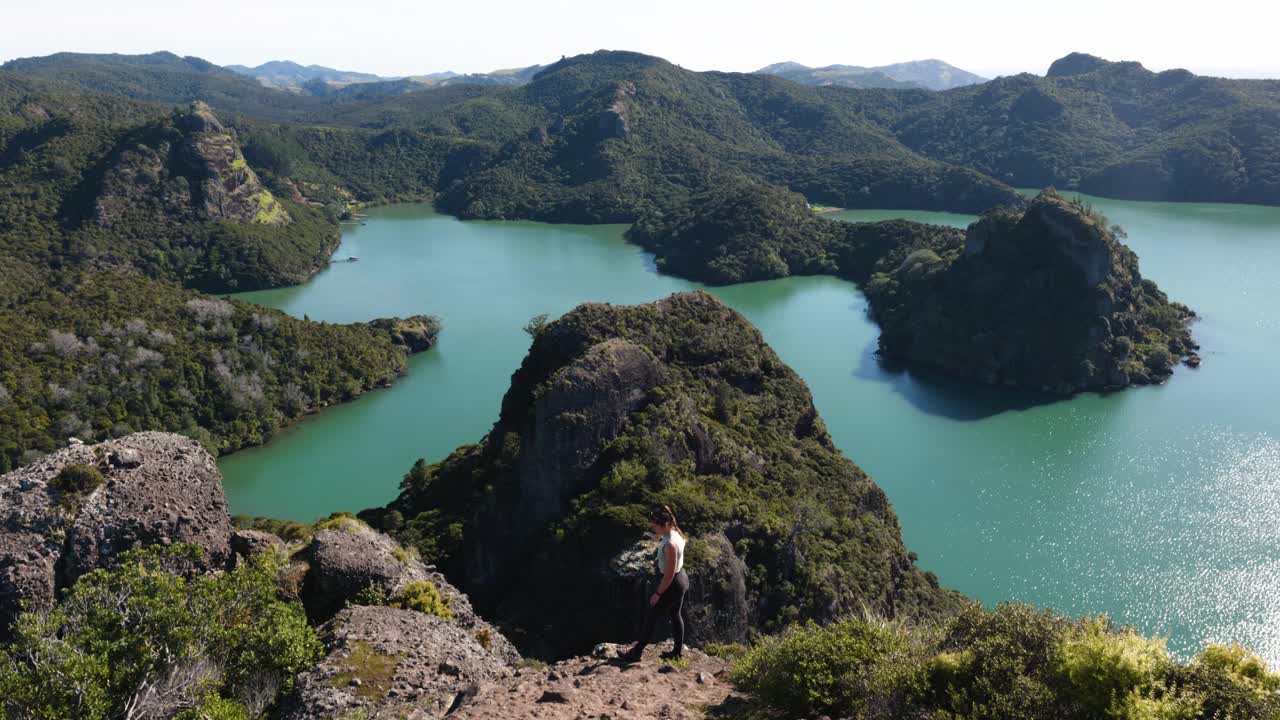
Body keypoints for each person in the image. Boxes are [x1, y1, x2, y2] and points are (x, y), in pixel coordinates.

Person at [621, 505, 689, 662]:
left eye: (655, 525)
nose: (653, 528)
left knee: (651, 616)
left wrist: (658, 593)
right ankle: (677, 653)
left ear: (665, 525)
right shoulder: (676, 532)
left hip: (673, 582)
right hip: (681, 577)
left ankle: (636, 652)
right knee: (675, 614)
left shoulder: (671, 544)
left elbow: (669, 574)